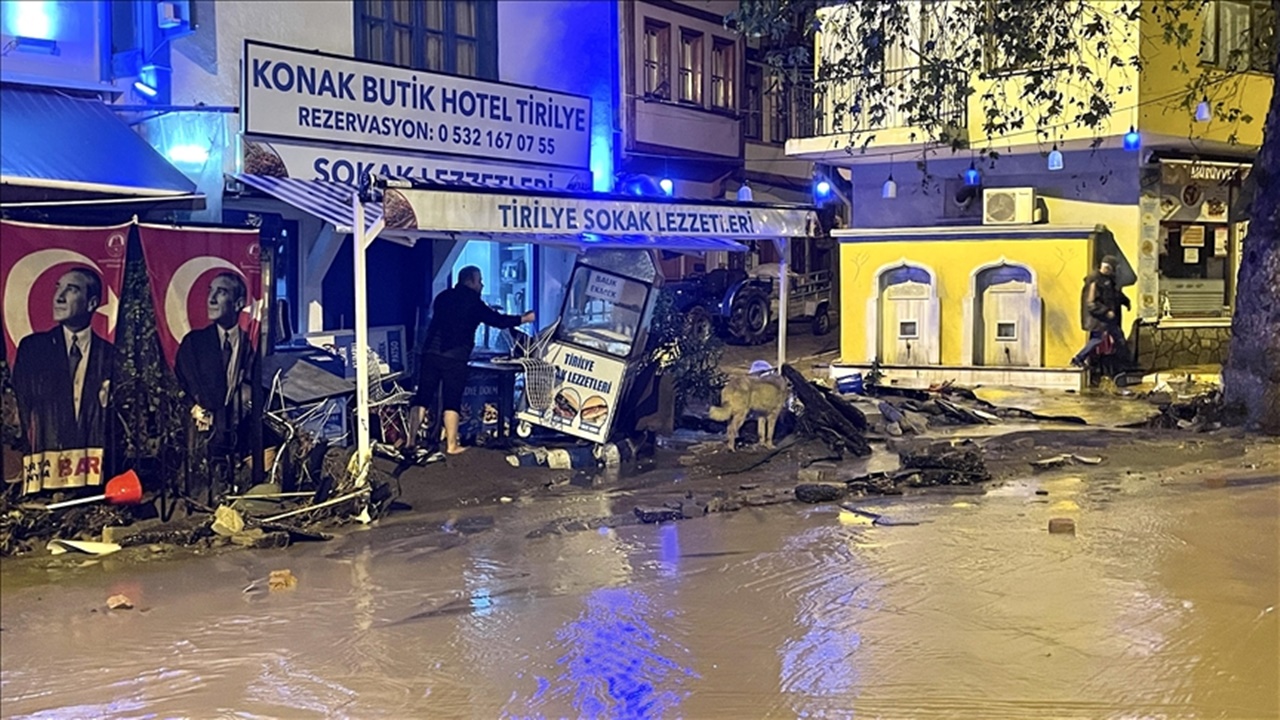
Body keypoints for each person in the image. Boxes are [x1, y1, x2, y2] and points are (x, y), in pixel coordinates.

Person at [406, 266, 534, 457]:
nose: (481, 284)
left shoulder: (442, 297)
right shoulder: (474, 303)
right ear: (470, 281)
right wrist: (524, 319)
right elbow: (497, 320)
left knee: (422, 397)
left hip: (430, 354)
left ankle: (410, 441)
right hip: (456, 357)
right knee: (452, 401)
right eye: (479, 280)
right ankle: (451, 445)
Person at [11, 267, 117, 458]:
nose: (59, 297)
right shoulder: (33, 348)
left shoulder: (109, 355)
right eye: (58, 288)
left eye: (72, 289)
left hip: (93, 469)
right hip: (47, 467)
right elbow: (23, 407)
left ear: (91, 303)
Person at [175, 271, 255, 453]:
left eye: (221, 292)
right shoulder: (194, 343)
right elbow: (181, 383)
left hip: (240, 442)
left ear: (239, 304)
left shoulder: (250, 345)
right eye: (210, 291)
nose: (211, 299)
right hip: (200, 438)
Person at [1071, 255, 1131, 377]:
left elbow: (1115, 295)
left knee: (1118, 339)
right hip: (1099, 319)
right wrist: (1106, 311)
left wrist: (1126, 301)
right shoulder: (1094, 280)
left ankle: (1121, 367)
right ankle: (1078, 359)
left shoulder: (1107, 280)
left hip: (1107, 320)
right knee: (1098, 339)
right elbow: (1091, 304)